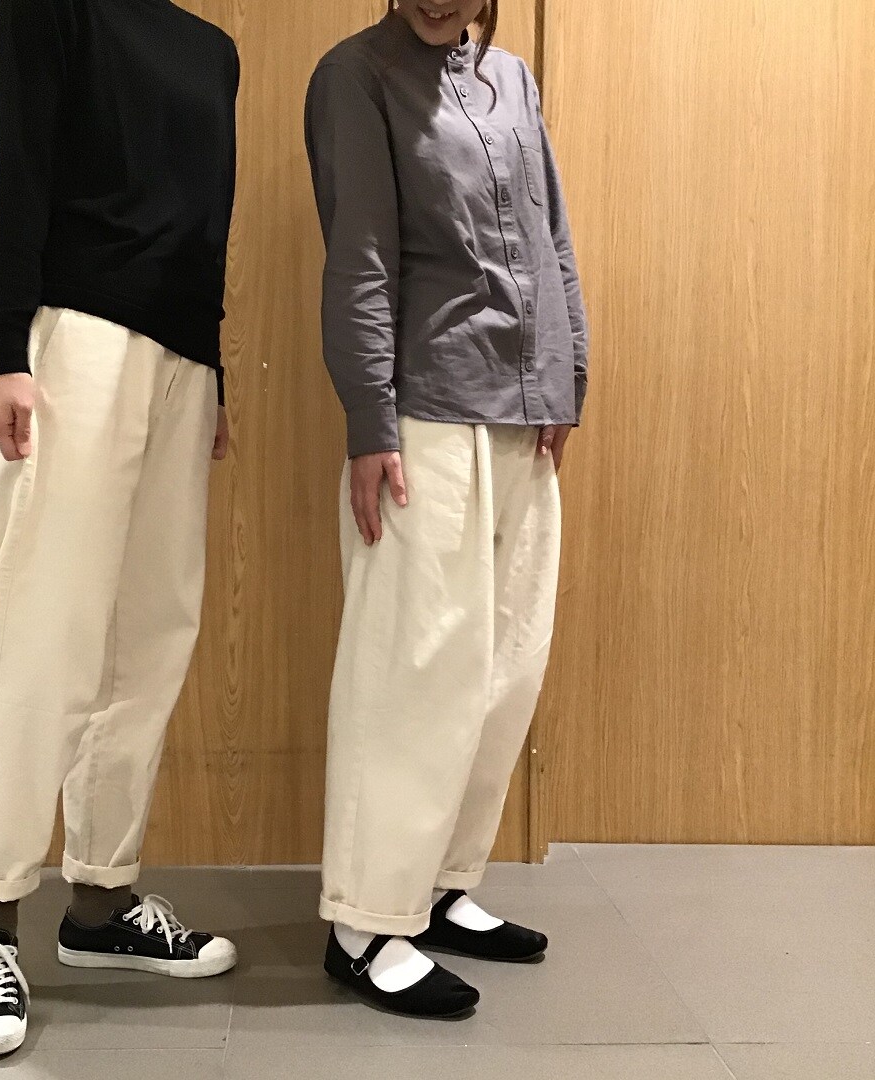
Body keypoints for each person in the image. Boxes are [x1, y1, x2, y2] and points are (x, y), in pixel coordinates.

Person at [0, 0, 240, 1058]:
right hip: (75, 340)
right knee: (46, 635)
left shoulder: (211, 49)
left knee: (152, 639)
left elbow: (206, 219)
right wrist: (4, 350)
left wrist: (211, 371)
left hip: (180, 361)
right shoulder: (46, 6)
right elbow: (20, 166)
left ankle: (102, 901)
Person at [305, 0, 588, 1018]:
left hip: (525, 413)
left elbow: (552, 236)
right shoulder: (356, 76)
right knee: (410, 675)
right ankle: (363, 923)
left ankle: (437, 888)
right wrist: (368, 420)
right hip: (424, 416)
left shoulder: (511, 79)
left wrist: (568, 373)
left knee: (505, 670)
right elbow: (360, 255)